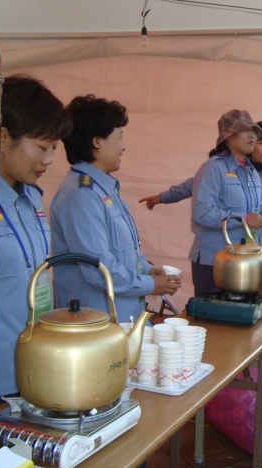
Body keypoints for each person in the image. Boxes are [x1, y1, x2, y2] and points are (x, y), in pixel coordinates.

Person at [50, 95, 181, 324]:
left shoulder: (102, 188)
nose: (123, 147)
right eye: (119, 137)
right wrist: (150, 284)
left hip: (123, 317)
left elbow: (121, 251)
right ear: (98, 142)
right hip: (99, 324)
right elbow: (98, 270)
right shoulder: (82, 196)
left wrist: (147, 270)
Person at [0, 74, 72, 398]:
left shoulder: (33, 199)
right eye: (41, 146)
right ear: (2, 137)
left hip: (34, 370)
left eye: (54, 147)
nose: (50, 159)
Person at [138, 121, 262, 246]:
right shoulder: (227, 169)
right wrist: (162, 197)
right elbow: (192, 185)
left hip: (258, 245)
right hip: (226, 243)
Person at [189, 109, 262, 296]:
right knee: (214, 313)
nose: (252, 136)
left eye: (254, 131)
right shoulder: (213, 168)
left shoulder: (251, 171)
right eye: (246, 131)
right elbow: (202, 213)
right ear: (228, 137)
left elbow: (255, 207)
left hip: (243, 261)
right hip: (214, 262)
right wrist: (244, 219)